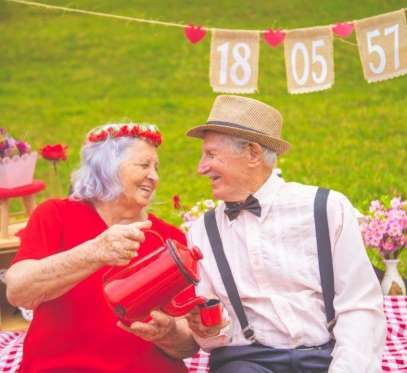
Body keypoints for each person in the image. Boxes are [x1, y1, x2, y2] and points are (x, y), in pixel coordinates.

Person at [185, 95, 386, 373]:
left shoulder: (326, 209)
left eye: (211, 154)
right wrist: (209, 328)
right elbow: (214, 333)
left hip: (327, 356)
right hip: (246, 362)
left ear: (253, 153)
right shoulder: (202, 232)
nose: (201, 167)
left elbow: (359, 307)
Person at [6, 123, 198, 372]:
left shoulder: (169, 240)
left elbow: (188, 346)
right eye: (144, 165)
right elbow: (19, 291)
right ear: (108, 167)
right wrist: (94, 252)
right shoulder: (56, 215)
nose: (155, 176)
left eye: (157, 168)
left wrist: (168, 333)